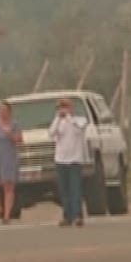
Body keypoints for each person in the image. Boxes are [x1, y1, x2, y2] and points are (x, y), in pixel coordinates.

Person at [50, 95, 90, 227]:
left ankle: (78, 215)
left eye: (65, 106)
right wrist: (58, 118)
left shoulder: (79, 120)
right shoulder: (58, 121)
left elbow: (78, 129)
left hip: (74, 160)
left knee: (75, 188)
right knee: (64, 190)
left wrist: (67, 117)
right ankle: (67, 216)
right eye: (61, 107)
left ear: (71, 108)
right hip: (61, 160)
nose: (63, 109)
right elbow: (51, 133)